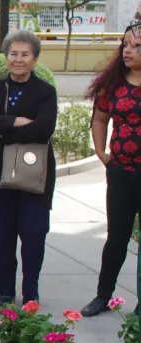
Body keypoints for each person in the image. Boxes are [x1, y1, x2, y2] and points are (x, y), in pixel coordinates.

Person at [0, 30, 58, 306]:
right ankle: (5, 292)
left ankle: (30, 292)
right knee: (4, 237)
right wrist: (19, 122)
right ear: (6, 56)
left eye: (25, 54)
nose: (18, 60)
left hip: (35, 176)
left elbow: (44, 128)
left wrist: (3, 127)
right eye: (13, 53)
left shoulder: (46, 92)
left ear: (35, 59)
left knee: (34, 234)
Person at [81, 23, 141, 317]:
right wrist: (102, 152)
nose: (128, 51)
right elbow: (101, 118)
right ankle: (103, 295)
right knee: (116, 237)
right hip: (121, 174)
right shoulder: (114, 84)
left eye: (137, 46)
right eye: (126, 45)